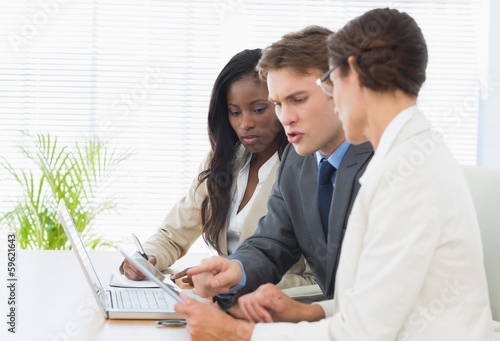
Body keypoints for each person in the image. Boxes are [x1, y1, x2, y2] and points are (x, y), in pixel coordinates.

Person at [175, 8, 495, 341]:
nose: (334, 95)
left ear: (353, 75)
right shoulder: (400, 157)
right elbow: (376, 303)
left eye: (332, 82)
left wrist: (237, 333)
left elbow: (362, 332)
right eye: (278, 103)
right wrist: (310, 312)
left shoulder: (406, 174)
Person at [178, 25, 373, 309]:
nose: (286, 118)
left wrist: (306, 315)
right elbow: (271, 244)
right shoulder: (297, 162)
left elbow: (384, 294)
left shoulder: (386, 162)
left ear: (342, 88)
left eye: (298, 100)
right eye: (278, 104)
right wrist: (235, 271)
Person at [121, 48, 317, 289]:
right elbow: (174, 233)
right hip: (224, 301)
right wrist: (148, 258)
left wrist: (225, 279)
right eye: (235, 112)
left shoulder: (306, 169)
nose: (245, 123)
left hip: (277, 309)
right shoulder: (223, 162)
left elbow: (314, 280)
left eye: (258, 109)